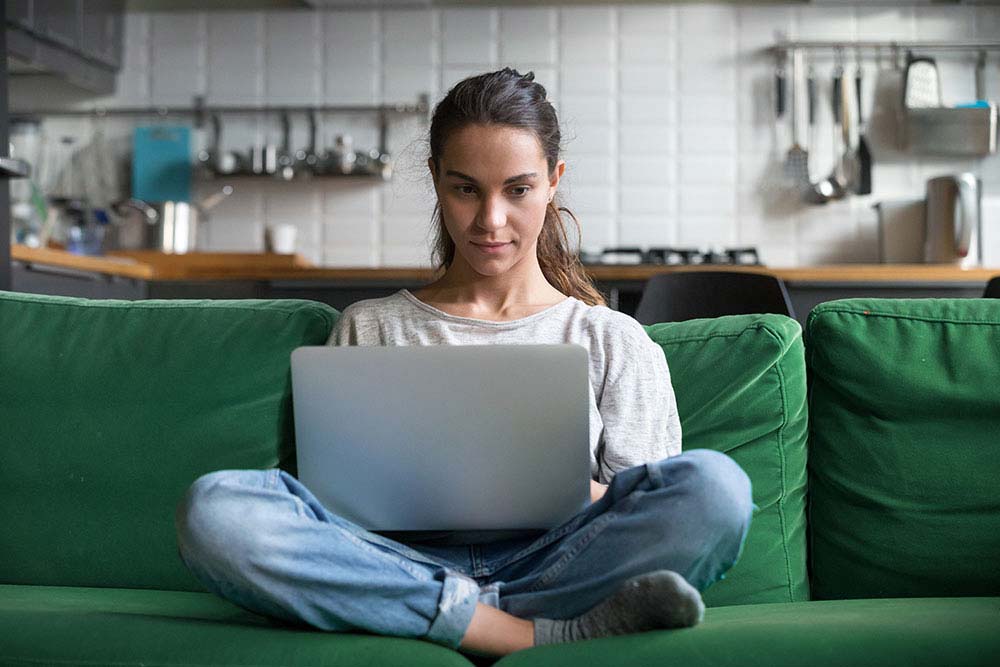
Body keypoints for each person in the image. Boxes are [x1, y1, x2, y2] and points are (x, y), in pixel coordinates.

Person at [175, 68, 753, 659]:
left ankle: (431, 617)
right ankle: (517, 631)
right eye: (466, 188)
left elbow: (645, 504)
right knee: (216, 510)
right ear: (435, 179)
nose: (491, 220)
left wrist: (567, 489)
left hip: (557, 563)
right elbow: (333, 505)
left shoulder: (611, 339)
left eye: (518, 190)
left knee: (716, 489)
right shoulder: (370, 326)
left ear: (554, 182)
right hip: (397, 562)